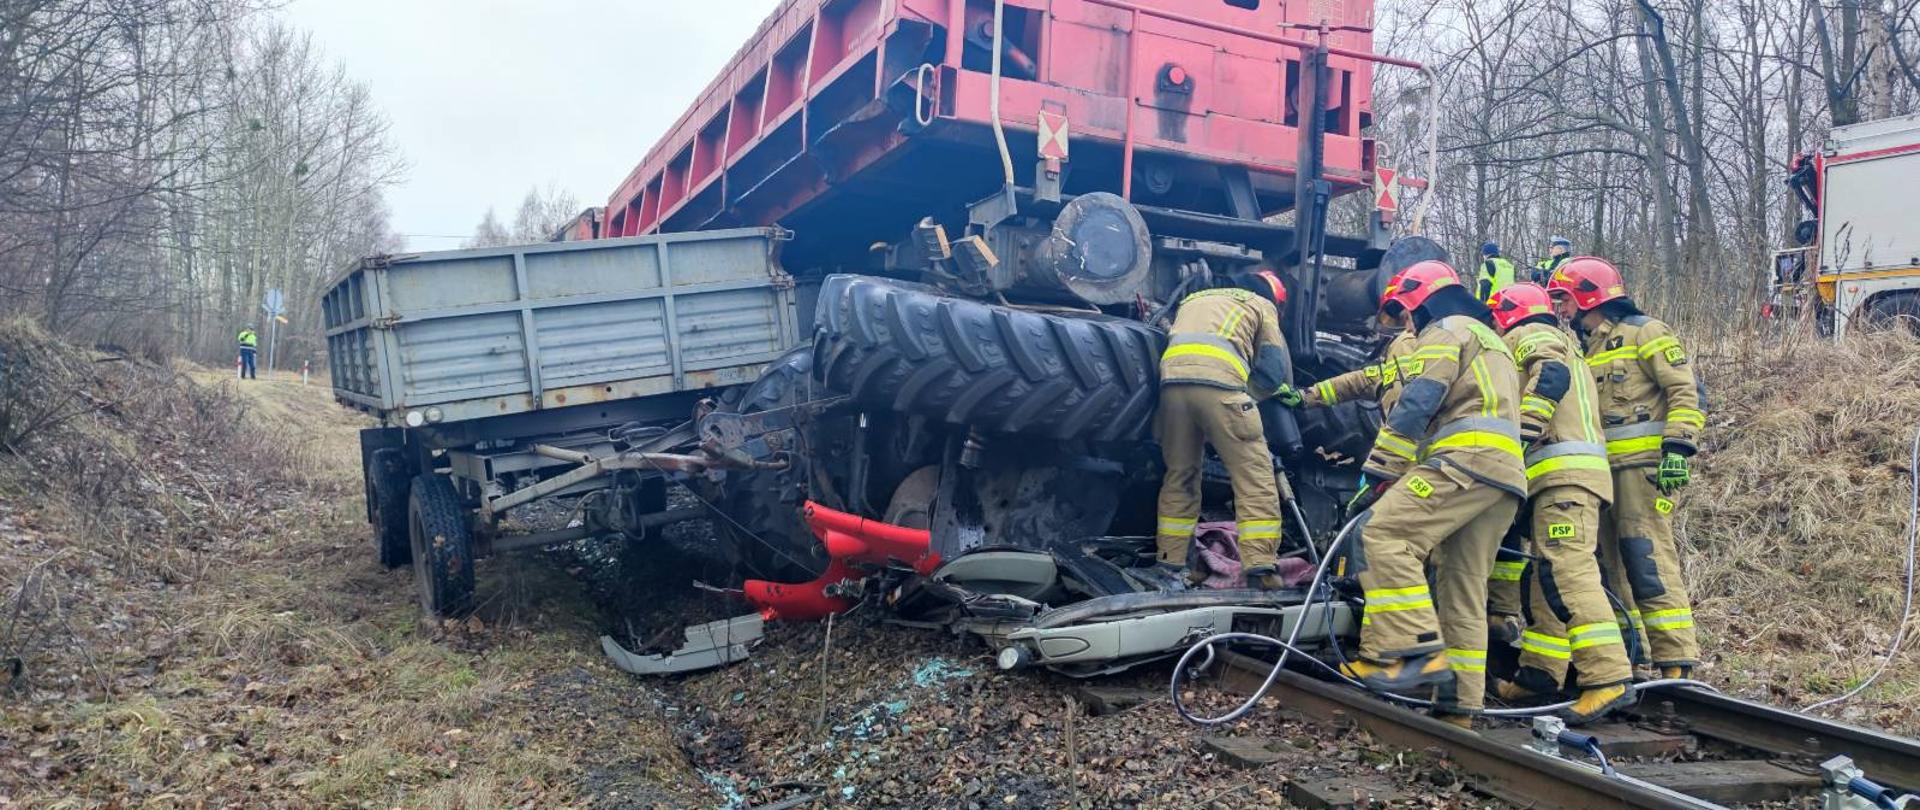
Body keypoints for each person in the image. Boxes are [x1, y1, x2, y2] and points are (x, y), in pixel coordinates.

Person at [1337, 260, 1526, 729]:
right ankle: (1460, 709)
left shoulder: (1446, 331)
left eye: (1406, 311)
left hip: (1463, 460)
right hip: (1504, 476)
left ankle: (1411, 653)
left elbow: (1418, 401)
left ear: (1421, 303)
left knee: (1383, 534)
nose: (1406, 322)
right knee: (1462, 587)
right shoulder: (1492, 340)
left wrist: (1378, 471)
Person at [1545, 257, 1704, 680]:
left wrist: (1678, 448)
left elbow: (1685, 391)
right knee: (1607, 566)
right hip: (1602, 474)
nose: (1560, 309)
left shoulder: (1646, 333)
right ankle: (1629, 656)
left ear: (1586, 295)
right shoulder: (1586, 348)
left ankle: (1675, 659)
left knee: (1647, 557)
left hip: (1643, 470)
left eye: (1563, 299)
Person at [1485, 283, 1635, 724]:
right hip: (1568, 477)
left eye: (1496, 319)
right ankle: (1540, 675)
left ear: (1508, 315)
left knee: (1567, 569)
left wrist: (1522, 432)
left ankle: (1607, 676)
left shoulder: (1530, 336)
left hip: (1561, 475)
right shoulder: (1572, 345)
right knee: (1545, 573)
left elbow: (1548, 374)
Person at [1156, 270, 1294, 589]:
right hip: (1221, 388)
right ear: (1273, 296)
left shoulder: (1193, 299)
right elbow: (1273, 369)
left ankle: (1169, 561)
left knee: (1181, 475)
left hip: (1171, 389)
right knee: (1255, 476)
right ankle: (1260, 566)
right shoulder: (1260, 304)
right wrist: (1252, 397)